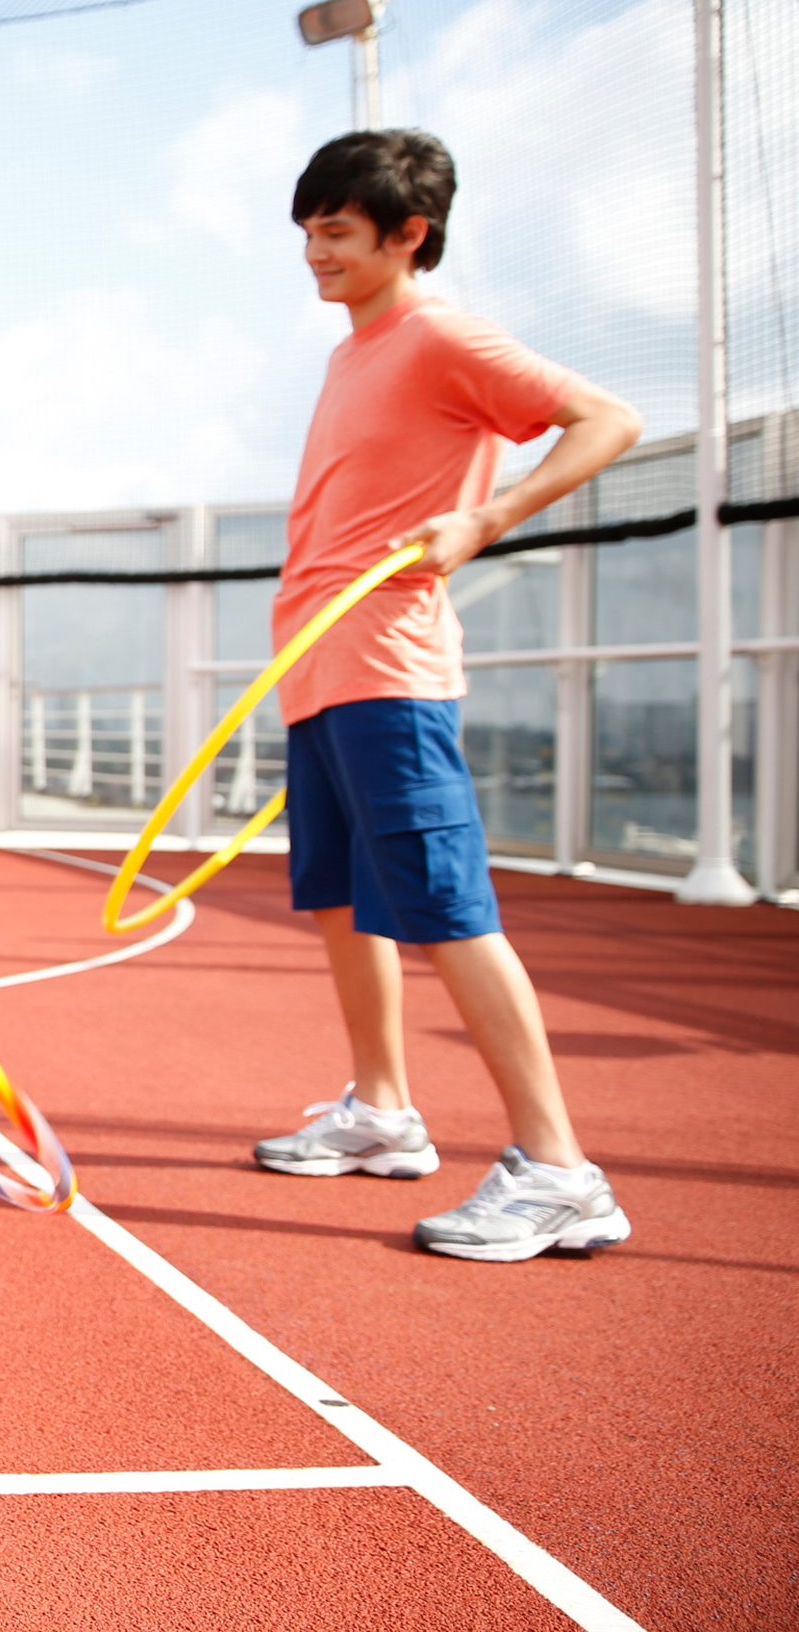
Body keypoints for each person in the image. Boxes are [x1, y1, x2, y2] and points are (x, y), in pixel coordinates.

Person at [252, 130, 643, 1262]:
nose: (315, 253)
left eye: (336, 231)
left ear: (406, 233)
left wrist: (486, 519)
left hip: (390, 669)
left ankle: (561, 1171)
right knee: (341, 899)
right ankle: (383, 1111)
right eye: (309, 233)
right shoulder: (350, 353)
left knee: (449, 909)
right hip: (319, 670)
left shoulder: (442, 335)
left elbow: (608, 419)